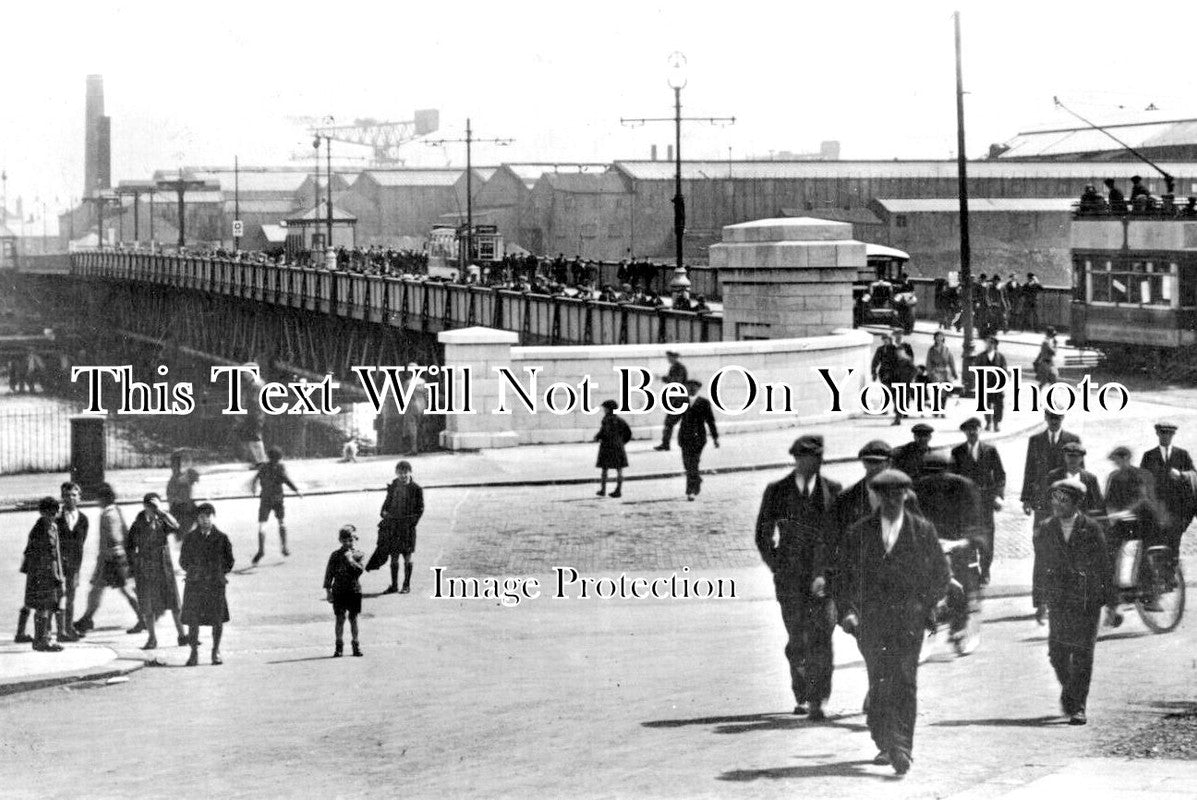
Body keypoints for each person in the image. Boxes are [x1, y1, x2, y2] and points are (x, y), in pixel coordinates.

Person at [836, 469, 950, 774]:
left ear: (906, 496)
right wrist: (847, 611)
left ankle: (901, 746)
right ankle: (884, 739)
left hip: (909, 622)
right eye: (885, 495)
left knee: (905, 681)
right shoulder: (858, 533)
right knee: (880, 681)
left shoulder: (922, 531)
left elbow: (941, 574)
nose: (892, 501)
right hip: (870, 622)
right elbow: (843, 578)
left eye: (898, 494)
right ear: (875, 497)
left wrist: (925, 605)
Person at [755, 434, 841, 722]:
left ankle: (819, 699)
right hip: (790, 578)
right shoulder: (777, 491)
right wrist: (777, 565)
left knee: (823, 637)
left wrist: (830, 571)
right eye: (806, 457)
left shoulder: (834, 490)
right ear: (796, 458)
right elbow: (763, 534)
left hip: (823, 578)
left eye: (817, 457)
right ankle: (802, 693)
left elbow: (840, 536)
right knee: (798, 637)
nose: (813, 462)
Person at [1032, 477, 1114, 726]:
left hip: (1087, 600)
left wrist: (1111, 602)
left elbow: (1104, 566)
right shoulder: (1046, 528)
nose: (1057, 505)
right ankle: (1071, 692)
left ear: (1077, 503)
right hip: (1059, 599)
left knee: (1082, 653)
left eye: (1063, 500)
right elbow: (1040, 565)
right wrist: (1040, 601)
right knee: (1057, 653)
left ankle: (1078, 706)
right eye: (1055, 499)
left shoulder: (1091, 528)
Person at [914, 451, 984, 654]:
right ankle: (928, 630)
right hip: (931, 543)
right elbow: (915, 518)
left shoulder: (964, 487)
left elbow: (975, 519)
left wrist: (967, 540)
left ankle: (960, 629)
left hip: (958, 543)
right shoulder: (919, 488)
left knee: (961, 585)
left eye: (941, 473)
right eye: (931, 473)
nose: (936, 479)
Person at [74, 483, 143, 636]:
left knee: (122, 589)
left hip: (111, 559)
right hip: (115, 557)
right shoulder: (116, 511)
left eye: (99, 498)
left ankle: (142, 617)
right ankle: (87, 618)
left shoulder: (107, 514)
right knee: (97, 590)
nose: (98, 501)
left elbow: (114, 537)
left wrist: (110, 553)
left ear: (104, 498)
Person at [950, 417, 1006, 585]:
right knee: (967, 537)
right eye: (969, 430)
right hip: (965, 503)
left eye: (975, 429)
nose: (972, 433)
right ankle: (971, 571)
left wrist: (998, 495)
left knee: (987, 537)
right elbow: (953, 478)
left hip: (986, 502)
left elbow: (1000, 475)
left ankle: (986, 569)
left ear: (980, 430)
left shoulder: (990, 450)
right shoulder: (957, 452)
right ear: (965, 432)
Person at [128, 493, 188, 649]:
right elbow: (129, 547)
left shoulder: (162, 521)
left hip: (164, 567)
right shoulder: (138, 524)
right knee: (148, 607)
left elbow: (176, 526)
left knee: (175, 603)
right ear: (145, 506)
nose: (153, 509)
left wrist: (162, 512)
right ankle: (152, 638)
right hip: (146, 569)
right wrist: (136, 566)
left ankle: (182, 635)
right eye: (150, 506)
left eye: (155, 506)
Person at [179, 503, 234, 667]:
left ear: (212, 517)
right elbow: (183, 560)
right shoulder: (190, 538)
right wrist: (193, 570)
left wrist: (218, 573)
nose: (205, 520)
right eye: (202, 517)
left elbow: (229, 561)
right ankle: (193, 653)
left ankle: (215, 651)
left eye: (208, 517)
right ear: (197, 518)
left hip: (215, 585)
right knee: (193, 621)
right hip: (195, 584)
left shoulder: (221, 537)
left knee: (216, 620)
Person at [1138, 421, 1195, 566]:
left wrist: (1182, 475)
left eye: (1169, 434)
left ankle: (1172, 579)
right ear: (1157, 434)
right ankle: (1158, 579)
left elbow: (1194, 475)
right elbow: (1141, 482)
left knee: (1174, 544)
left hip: (1177, 512)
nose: (1166, 437)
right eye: (1163, 433)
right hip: (1156, 511)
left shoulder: (1182, 455)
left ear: (1173, 435)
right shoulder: (1149, 456)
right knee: (1156, 544)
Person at [368, 461, 424, 594]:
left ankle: (406, 585)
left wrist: (411, 523)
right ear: (396, 473)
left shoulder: (416, 489)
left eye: (405, 472)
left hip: (408, 528)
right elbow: (386, 504)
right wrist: (384, 513)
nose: (403, 475)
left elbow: (420, 509)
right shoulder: (393, 486)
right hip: (394, 526)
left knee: (407, 556)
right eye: (400, 472)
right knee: (394, 556)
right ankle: (394, 585)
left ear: (410, 472)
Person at [1021, 411, 1080, 529]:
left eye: (1057, 418)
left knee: (1062, 538)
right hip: (1041, 498)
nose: (1054, 421)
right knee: (1039, 537)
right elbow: (1030, 470)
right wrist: (1026, 499)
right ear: (1045, 417)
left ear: (1062, 417)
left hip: (1064, 499)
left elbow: (1079, 472)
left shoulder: (1072, 440)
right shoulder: (1035, 440)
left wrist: (1078, 502)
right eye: (1051, 418)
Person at [20, 497, 65, 651]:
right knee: (43, 606)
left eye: (54, 513)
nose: (52, 516)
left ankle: (44, 638)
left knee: (48, 606)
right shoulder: (43, 530)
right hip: (44, 575)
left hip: (46, 573)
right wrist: (55, 576)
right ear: (42, 512)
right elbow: (46, 555)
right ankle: (41, 640)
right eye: (49, 513)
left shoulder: (50, 527)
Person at [251, 446, 303, 565]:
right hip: (278, 499)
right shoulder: (280, 467)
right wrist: (297, 490)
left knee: (262, 525)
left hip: (265, 499)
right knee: (281, 522)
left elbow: (255, 479)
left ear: (268, 456)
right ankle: (284, 547)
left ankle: (261, 550)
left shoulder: (263, 467)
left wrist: (254, 488)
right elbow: (286, 479)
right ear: (280, 457)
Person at [325, 525, 366, 657]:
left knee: (353, 618)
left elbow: (359, 571)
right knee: (340, 618)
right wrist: (328, 591)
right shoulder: (335, 555)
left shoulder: (358, 554)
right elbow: (329, 574)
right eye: (345, 540)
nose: (348, 543)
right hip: (339, 591)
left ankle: (355, 645)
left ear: (354, 540)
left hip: (354, 590)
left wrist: (350, 559)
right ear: (340, 540)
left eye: (350, 540)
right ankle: (339, 646)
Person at [53, 482, 87, 642]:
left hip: (74, 564)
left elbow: (82, 541)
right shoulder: (57, 518)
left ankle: (69, 627)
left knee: (71, 596)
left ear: (79, 497)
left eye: (74, 495)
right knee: (58, 596)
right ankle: (60, 631)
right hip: (59, 564)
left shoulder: (83, 519)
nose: (70, 498)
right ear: (62, 497)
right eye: (66, 495)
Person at [677, 380, 718, 501]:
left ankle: (690, 491)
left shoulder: (704, 402)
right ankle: (697, 479)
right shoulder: (681, 402)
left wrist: (715, 438)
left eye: (694, 387)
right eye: (689, 387)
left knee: (692, 464)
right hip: (684, 437)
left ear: (698, 388)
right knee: (687, 463)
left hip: (698, 438)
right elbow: (673, 417)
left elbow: (710, 421)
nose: (692, 389)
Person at [1044, 443, 1104, 516]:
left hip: (1083, 521)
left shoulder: (1090, 478)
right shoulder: (1054, 476)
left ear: (1081, 458)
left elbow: (1097, 502)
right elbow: (1047, 499)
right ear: (1064, 457)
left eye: (1076, 457)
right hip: (1059, 519)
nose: (1072, 460)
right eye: (1069, 456)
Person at [594, 399, 632, 498]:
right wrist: (622, 442)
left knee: (604, 470)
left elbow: (603, 432)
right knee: (619, 470)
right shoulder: (620, 420)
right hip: (618, 447)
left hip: (607, 447)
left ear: (609, 409)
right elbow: (628, 433)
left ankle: (603, 490)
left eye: (605, 408)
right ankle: (618, 490)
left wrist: (597, 437)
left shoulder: (606, 420)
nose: (604, 410)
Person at [653, 351, 688, 451]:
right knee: (670, 423)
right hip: (676, 399)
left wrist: (664, 378)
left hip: (679, 399)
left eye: (669, 357)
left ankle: (666, 444)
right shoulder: (675, 367)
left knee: (669, 423)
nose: (668, 359)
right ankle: (665, 444)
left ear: (674, 357)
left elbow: (676, 381)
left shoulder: (679, 368)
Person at [974, 335, 1008, 432]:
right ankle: (988, 423)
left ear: (995, 345)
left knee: (999, 405)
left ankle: (996, 423)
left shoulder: (1000, 357)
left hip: (997, 384)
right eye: (987, 343)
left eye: (991, 343)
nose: (988, 345)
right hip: (985, 383)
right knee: (986, 404)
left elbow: (1004, 369)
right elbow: (976, 368)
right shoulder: (981, 356)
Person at [166, 451, 201, 539]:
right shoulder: (175, 479)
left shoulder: (184, 476)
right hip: (180, 508)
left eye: (178, 464)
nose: (177, 467)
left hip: (185, 507)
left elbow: (194, 478)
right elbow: (172, 498)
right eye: (175, 464)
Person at [924, 331, 957, 419]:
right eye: (937, 337)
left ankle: (942, 409)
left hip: (946, 373)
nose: (939, 339)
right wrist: (930, 372)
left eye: (941, 337)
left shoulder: (947, 349)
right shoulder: (931, 349)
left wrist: (954, 373)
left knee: (944, 393)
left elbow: (951, 361)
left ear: (943, 338)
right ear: (934, 338)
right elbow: (928, 362)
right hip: (936, 373)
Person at [402, 362, 428, 456]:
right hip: (422, 406)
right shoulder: (423, 381)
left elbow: (405, 397)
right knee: (421, 427)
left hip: (412, 406)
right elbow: (426, 395)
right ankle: (422, 446)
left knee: (413, 428)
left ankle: (414, 449)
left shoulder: (408, 383)